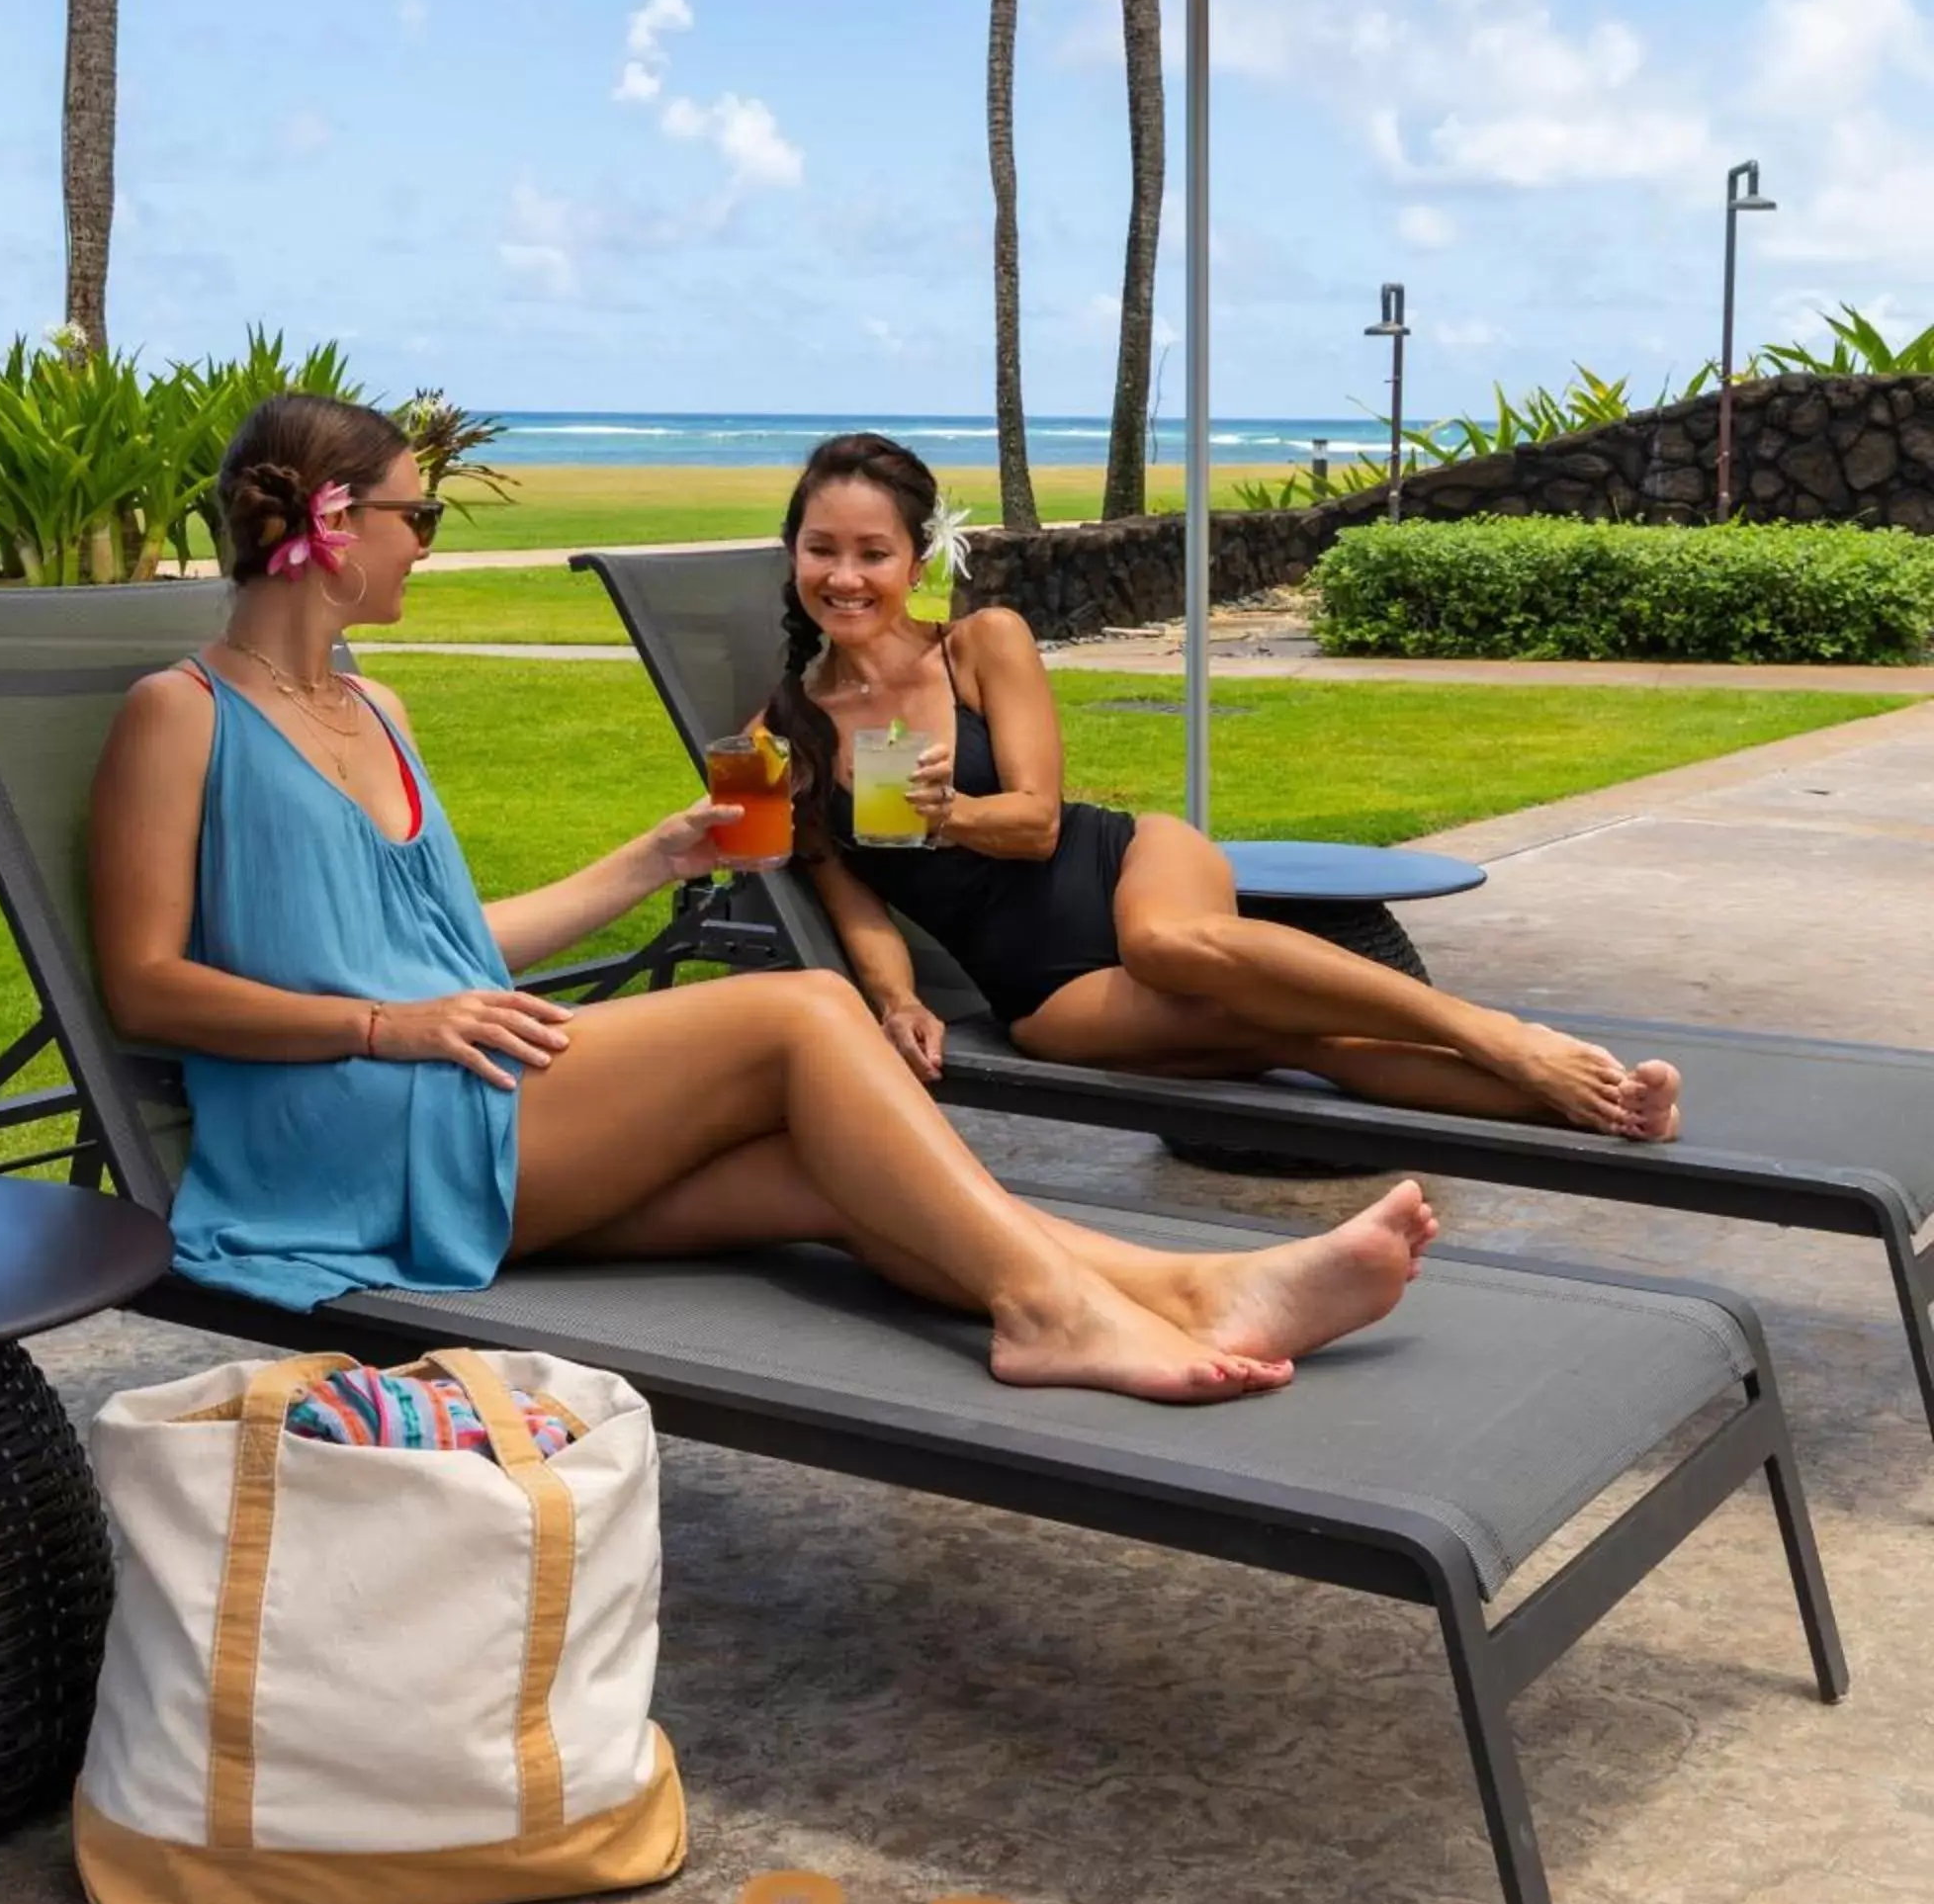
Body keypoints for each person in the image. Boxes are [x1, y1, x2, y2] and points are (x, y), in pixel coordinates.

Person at [89, 391, 1438, 1413]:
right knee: (797, 1013)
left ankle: (1196, 1287)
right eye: (415, 516)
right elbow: (147, 986)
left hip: (449, 1077)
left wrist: (655, 858)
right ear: (331, 531)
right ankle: (1048, 1309)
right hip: (342, 1132)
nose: (427, 547)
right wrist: (391, 1031)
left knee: (825, 1172)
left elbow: (441, 949)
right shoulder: (181, 718)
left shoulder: (377, 707)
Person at [767, 433, 1684, 1139]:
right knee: (1292, 1042)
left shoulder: (979, 642)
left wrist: (951, 813)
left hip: (1125, 864)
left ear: (916, 561)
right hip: (1040, 982)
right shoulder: (788, 733)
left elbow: (1040, 823)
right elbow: (853, 902)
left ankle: (1495, 1033)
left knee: (1172, 943)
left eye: (873, 553)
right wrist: (899, 1002)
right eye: (823, 550)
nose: (845, 577)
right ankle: (1604, 1107)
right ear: (794, 556)